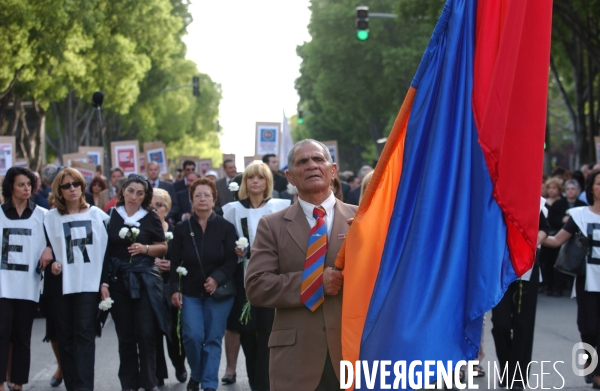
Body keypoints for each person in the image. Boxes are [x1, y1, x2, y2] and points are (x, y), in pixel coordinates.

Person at [245, 139, 357, 390]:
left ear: (333, 170)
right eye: (302, 162)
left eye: (319, 159)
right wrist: (316, 283)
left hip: (355, 356)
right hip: (296, 362)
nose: (312, 166)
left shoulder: (361, 219)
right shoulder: (271, 225)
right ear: (290, 176)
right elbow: (256, 286)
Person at [222, 162, 290, 390]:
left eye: (260, 178)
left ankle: (266, 383)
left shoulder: (280, 207)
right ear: (244, 182)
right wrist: (236, 250)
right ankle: (255, 382)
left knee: (268, 332)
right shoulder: (232, 210)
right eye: (250, 178)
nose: (255, 181)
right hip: (243, 280)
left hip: (271, 279)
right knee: (247, 332)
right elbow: (225, 244)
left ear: (267, 182)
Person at [43, 168, 110, 391]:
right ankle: (72, 386)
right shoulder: (49, 218)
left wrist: (104, 282)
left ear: (82, 186)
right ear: (59, 191)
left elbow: (108, 253)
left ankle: (84, 388)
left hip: (89, 285)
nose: (72, 189)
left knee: (84, 336)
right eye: (66, 186)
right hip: (61, 284)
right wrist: (50, 260)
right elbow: (43, 248)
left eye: (76, 184)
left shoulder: (99, 216)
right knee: (65, 337)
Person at [100, 174, 168, 391]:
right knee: (125, 334)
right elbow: (105, 251)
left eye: (140, 193)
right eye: (130, 191)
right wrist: (104, 283)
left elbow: (162, 246)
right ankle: (128, 383)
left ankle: (149, 382)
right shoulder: (111, 216)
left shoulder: (150, 216)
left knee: (146, 333)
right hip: (119, 280)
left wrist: (145, 249)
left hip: (145, 279)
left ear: (145, 196)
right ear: (122, 191)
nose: (134, 197)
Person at [170, 178, 237, 391]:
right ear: (191, 200)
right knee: (192, 336)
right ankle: (197, 374)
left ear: (214, 199)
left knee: (213, 339)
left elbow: (231, 259)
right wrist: (174, 289)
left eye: (207, 195)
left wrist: (217, 278)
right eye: (197, 195)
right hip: (190, 292)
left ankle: (208, 384)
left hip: (219, 293)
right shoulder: (181, 229)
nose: (202, 199)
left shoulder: (226, 227)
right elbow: (174, 262)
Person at [544, 170, 600, 389]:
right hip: (587, 280)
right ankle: (589, 362)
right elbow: (557, 240)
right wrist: (531, 236)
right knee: (588, 328)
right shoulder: (579, 215)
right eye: (599, 183)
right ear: (591, 188)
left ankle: (597, 374)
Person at [0, 167, 52, 391]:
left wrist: (49, 247)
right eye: (21, 184)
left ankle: (18, 381)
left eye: (29, 185)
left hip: (29, 286)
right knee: (1, 333)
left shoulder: (43, 215)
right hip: (3, 285)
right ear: (10, 186)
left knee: (23, 335)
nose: (26, 189)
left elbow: (56, 240)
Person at [491, 199, 550, 389]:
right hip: (499, 269)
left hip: (526, 268)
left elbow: (544, 229)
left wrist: (531, 242)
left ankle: (518, 377)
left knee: (523, 323)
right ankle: (507, 368)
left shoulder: (532, 199)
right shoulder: (495, 196)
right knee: (500, 324)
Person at [151, 188, 187, 385]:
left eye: (160, 205)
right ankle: (158, 374)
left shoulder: (176, 231)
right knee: (153, 332)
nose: (156, 210)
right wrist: (152, 263)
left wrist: (174, 265)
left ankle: (180, 365)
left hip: (172, 286)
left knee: (175, 331)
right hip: (151, 287)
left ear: (167, 208)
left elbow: (185, 258)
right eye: (152, 206)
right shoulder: (143, 233)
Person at [545, 179, 586, 296]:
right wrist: (563, 220)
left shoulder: (583, 206)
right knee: (555, 262)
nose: (570, 191)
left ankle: (568, 286)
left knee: (576, 263)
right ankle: (552, 286)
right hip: (559, 234)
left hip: (578, 241)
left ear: (578, 191)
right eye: (568, 189)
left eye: (573, 189)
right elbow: (551, 219)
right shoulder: (558, 204)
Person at [40, 193, 64, 389]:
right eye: (53, 203)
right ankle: (61, 366)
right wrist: (46, 246)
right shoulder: (45, 221)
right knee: (54, 329)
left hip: (75, 279)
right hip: (52, 281)